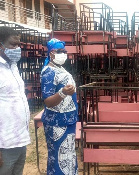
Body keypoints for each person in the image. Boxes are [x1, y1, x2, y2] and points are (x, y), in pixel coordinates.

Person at [0, 26, 31, 175]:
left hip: (20, 141)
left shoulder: (12, 66)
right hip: (1, 147)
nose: (17, 48)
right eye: (13, 45)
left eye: (18, 45)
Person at [41, 38, 78, 175]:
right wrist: (63, 92)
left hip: (68, 121)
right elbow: (48, 101)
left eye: (64, 51)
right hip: (57, 123)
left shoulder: (60, 68)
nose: (63, 54)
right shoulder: (48, 72)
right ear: (51, 53)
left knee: (68, 156)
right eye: (59, 51)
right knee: (58, 158)